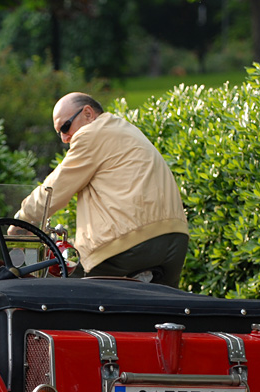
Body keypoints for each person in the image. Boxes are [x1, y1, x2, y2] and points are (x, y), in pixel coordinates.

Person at [12, 92, 189, 287]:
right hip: (175, 240)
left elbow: (55, 189)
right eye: (59, 132)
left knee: (56, 287)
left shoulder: (92, 133)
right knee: (160, 312)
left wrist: (21, 220)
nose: (64, 138)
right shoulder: (125, 130)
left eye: (65, 127)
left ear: (88, 113)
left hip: (127, 244)